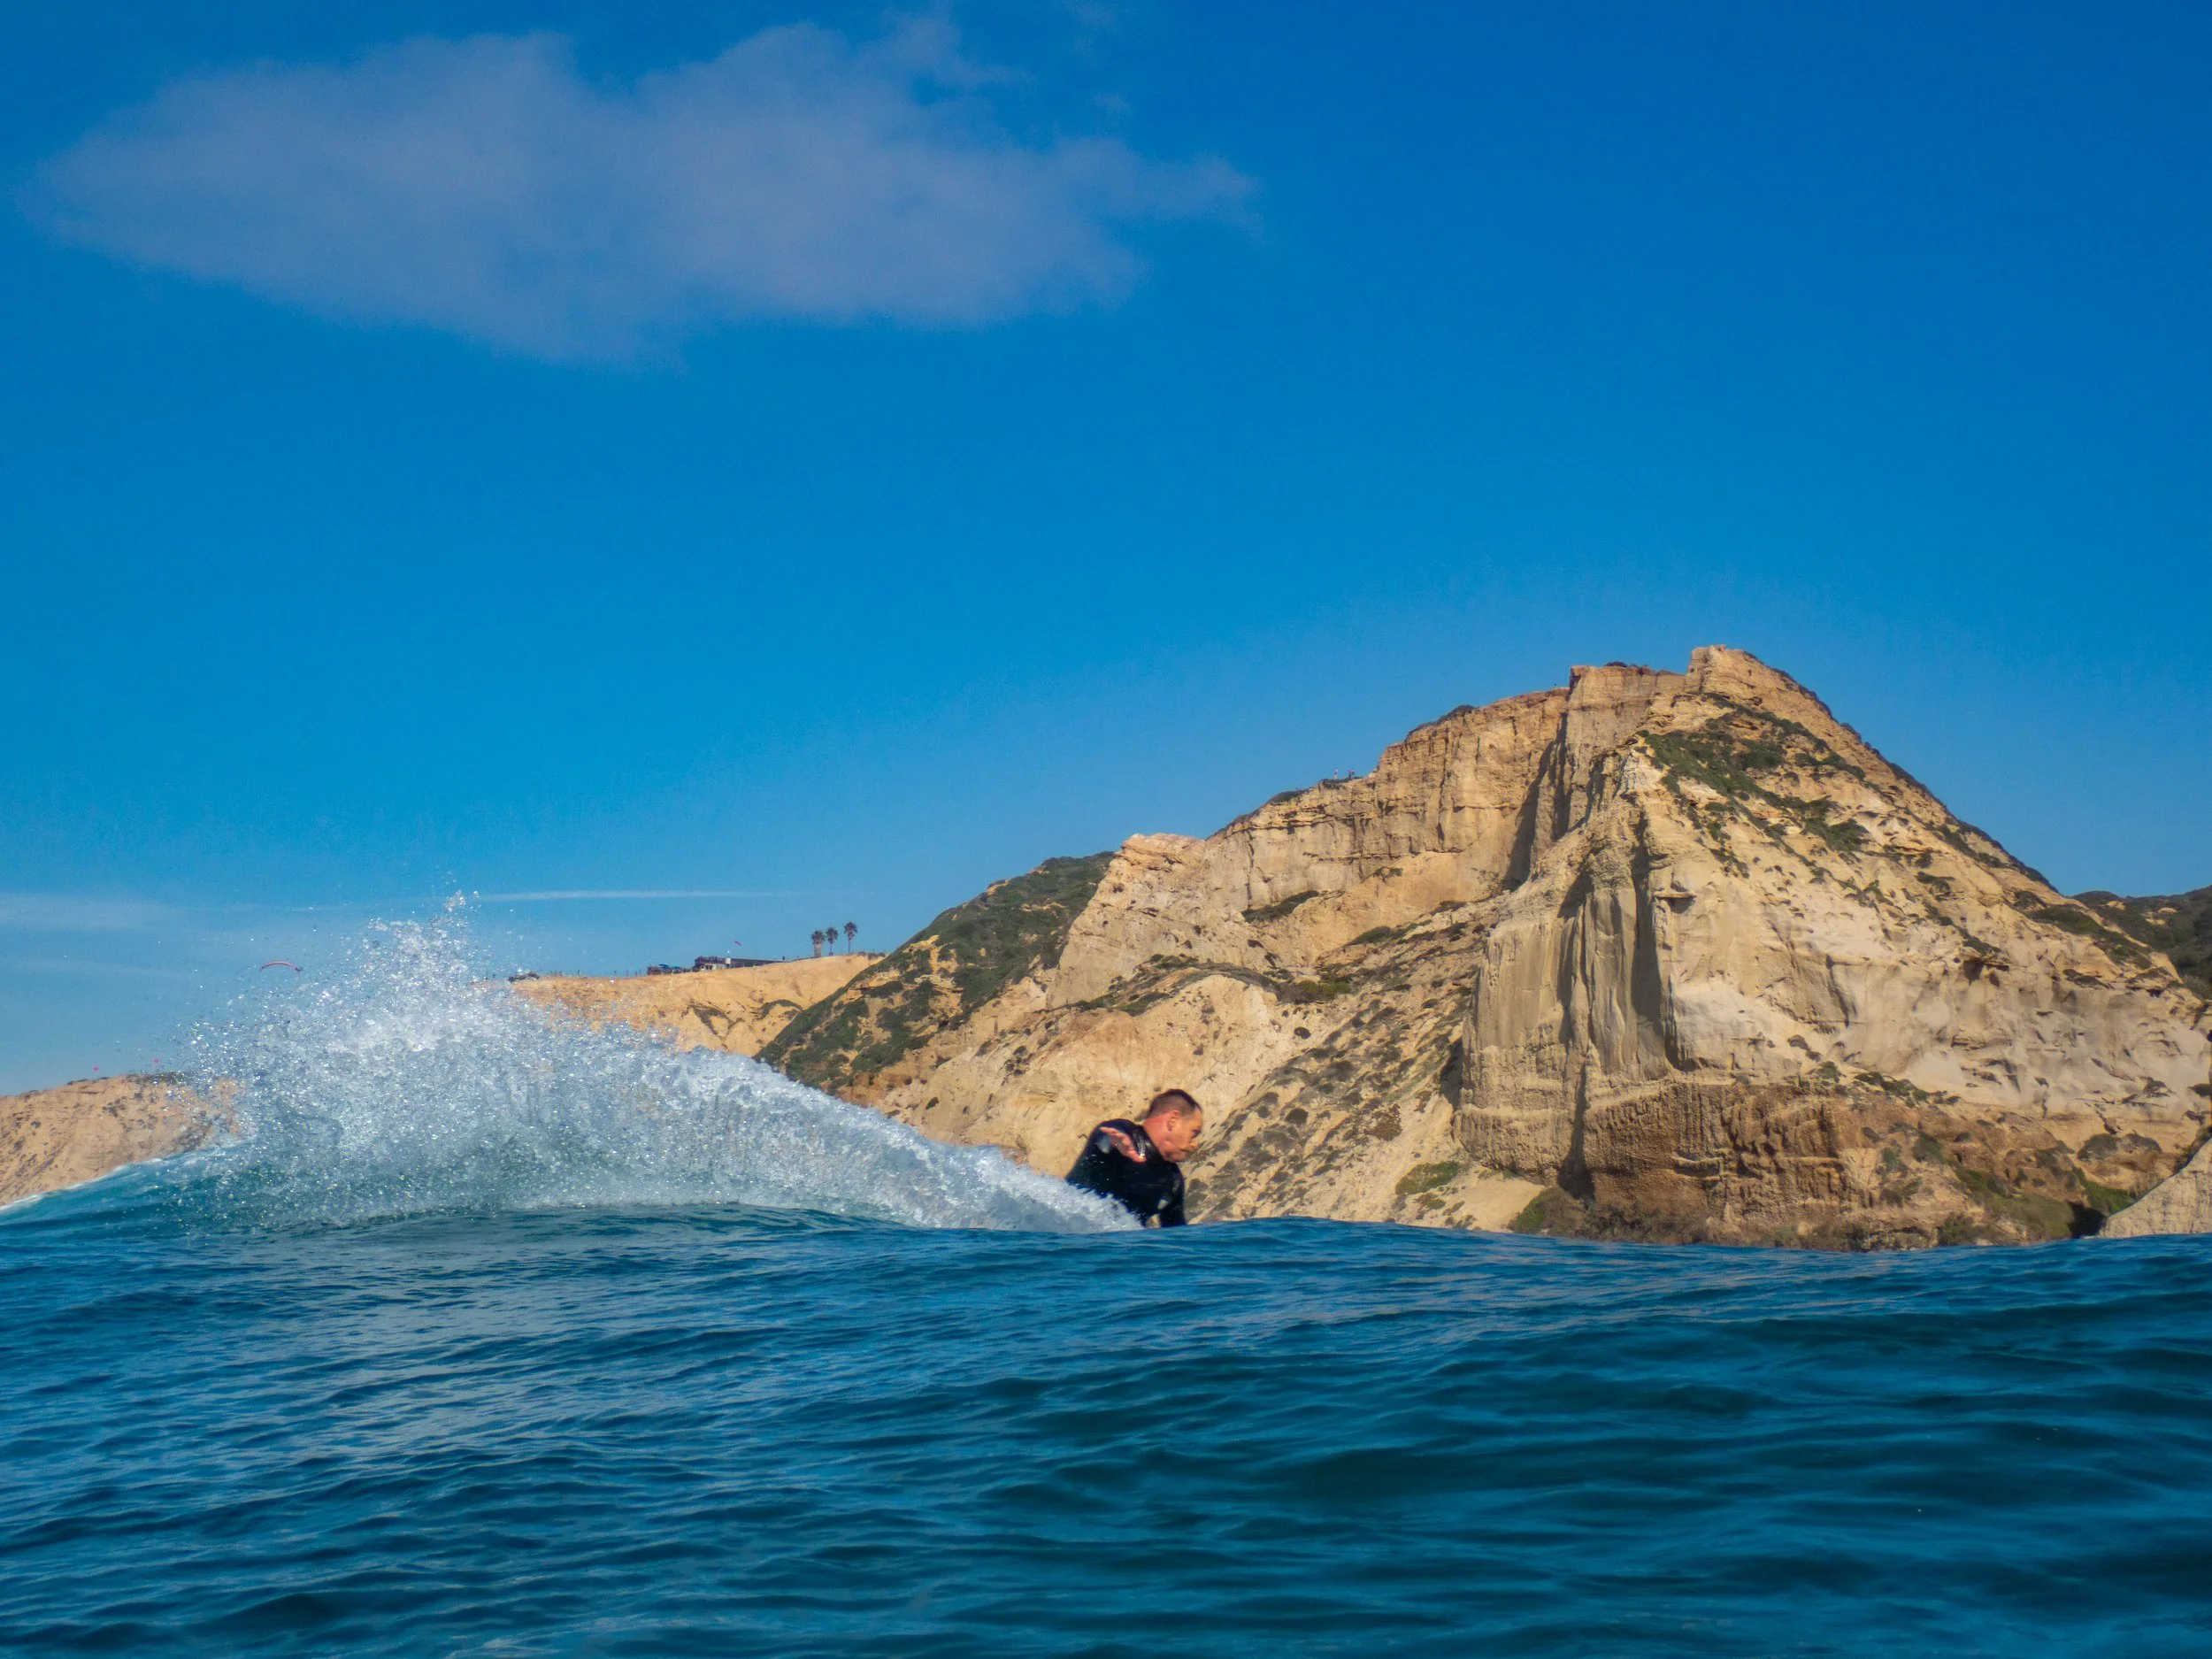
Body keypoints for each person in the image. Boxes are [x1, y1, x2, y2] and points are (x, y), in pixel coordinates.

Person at [1065, 1089, 1203, 1226]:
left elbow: (1177, 1237)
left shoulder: (1173, 1182)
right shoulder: (1125, 1135)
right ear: (1173, 1121)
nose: (1195, 1144)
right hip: (1064, 1235)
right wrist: (1113, 1141)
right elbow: (1106, 1132)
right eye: (1194, 1132)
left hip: (1111, 1246)